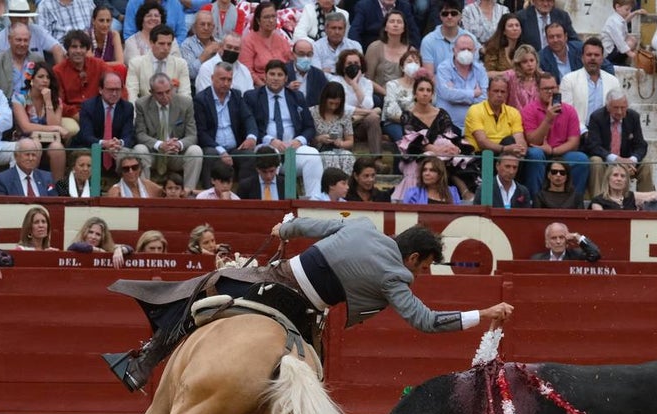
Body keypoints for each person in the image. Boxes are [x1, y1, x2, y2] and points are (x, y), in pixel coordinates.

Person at [104, 217, 514, 392]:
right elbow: (425, 322)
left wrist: (284, 226)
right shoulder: (398, 276)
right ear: (413, 259)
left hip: (273, 280)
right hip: (305, 313)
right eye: (424, 267)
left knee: (203, 291)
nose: (420, 274)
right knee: (311, 383)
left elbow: (310, 225)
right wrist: (484, 314)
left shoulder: (361, 225)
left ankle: (142, 365)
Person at [244, 59, 322, 196]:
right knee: (270, 155)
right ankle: (276, 203)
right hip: (266, 146)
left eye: (280, 75)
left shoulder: (297, 96)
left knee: (313, 156)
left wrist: (299, 141)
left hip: (293, 147)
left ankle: (314, 201)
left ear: (286, 78)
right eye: (272, 74)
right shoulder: (252, 96)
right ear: (265, 76)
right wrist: (270, 140)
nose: (275, 78)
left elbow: (309, 127)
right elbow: (250, 125)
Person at [521, 71, 588, 196]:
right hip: (540, 153)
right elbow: (533, 141)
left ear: (557, 88)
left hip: (560, 153)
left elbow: (574, 142)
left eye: (553, 88)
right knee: (534, 154)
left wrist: (553, 151)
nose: (550, 92)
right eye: (545, 89)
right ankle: (536, 200)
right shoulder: (529, 110)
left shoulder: (569, 110)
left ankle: (574, 201)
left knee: (581, 159)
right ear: (538, 90)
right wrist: (548, 119)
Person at [133, 72, 202, 191]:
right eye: (160, 93)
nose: (165, 96)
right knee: (139, 149)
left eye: (168, 91)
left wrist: (178, 144)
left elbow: (192, 135)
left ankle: (188, 192)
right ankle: (145, 193)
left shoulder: (186, 104)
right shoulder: (141, 104)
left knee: (196, 151)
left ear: (172, 88)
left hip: (176, 154)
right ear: (152, 93)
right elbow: (140, 134)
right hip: (154, 154)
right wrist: (160, 145)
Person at [582, 89, 649, 199]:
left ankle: (647, 203)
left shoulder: (633, 117)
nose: (619, 112)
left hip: (627, 161)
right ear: (608, 107)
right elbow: (593, 146)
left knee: (647, 163)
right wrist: (615, 159)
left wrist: (632, 160)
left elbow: (641, 145)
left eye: (622, 108)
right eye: (615, 108)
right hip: (606, 161)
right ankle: (599, 202)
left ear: (627, 106)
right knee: (595, 161)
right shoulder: (596, 117)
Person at [12, 60, 70, 179]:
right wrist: (55, 128)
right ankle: (34, 187)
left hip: (50, 140)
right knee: (35, 145)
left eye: (48, 77)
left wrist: (48, 101)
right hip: (26, 138)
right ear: (31, 79)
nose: (45, 80)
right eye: (41, 76)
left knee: (57, 148)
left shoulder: (55, 100)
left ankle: (60, 190)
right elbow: (25, 127)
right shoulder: (19, 97)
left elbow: (54, 127)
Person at [73, 71, 134, 174]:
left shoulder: (127, 107)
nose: (114, 93)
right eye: (110, 90)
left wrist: (119, 143)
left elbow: (128, 135)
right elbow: (86, 136)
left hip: (115, 150)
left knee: (128, 153)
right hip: (92, 146)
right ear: (101, 90)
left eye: (118, 90)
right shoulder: (88, 106)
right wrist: (104, 143)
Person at [332, 48, 381, 165]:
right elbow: (341, 108)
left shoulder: (366, 83)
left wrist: (354, 84)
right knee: (373, 114)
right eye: (349, 63)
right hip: (342, 124)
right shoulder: (335, 82)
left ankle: (377, 160)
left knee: (373, 118)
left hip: (360, 126)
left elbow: (369, 104)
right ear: (343, 66)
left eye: (356, 63)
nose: (353, 66)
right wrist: (367, 112)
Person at [434, 32, 488, 135]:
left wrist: (457, 96)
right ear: (454, 50)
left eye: (469, 49)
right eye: (462, 49)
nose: (466, 52)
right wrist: (473, 93)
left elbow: (483, 99)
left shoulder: (480, 69)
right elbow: (448, 94)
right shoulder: (443, 68)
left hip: (476, 127)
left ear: (475, 51)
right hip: (448, 127)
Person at [53, 30, 108, 119]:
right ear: (67, 49)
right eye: (74, 47)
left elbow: (117, 86)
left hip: (99, 111)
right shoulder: (58, 71)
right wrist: (76, 114)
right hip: (72, 115)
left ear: (87, 49)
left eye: (82, 47)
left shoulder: (99, 65)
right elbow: (58, 101)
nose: (78, 51)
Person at [241, 2, 292, 87]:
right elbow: (247, 71)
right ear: (258, 20)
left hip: (282, 86)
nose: (271, 20)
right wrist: (266, 89)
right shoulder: (248, 41)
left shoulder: (282, 40)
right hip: (258, 88)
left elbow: (289, 65)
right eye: (266, 17)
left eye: (273, 16)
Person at [0, 22, 42, 102]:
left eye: (26, 40)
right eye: (18, 40)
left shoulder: (38, 60)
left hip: (31, 106)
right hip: (5, 107)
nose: (22, 44)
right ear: (9, 39)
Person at [363, 9, 411, 97]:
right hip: (378, 95)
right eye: (392, 21)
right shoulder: (374, 47)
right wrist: (387, 93)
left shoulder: (411, 51)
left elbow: (412, 81)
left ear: (404, 28)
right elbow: (367, 79)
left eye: (399, 22)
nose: (395, 25)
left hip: (403, 96)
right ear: (385, 27)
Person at [420, 0, 474, 75]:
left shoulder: (470, 39)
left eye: (454, 13)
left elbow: (474, 71)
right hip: (437, 85)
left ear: (460, 16)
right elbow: (429, 75)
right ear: (440, 16)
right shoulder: (428, 41)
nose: (449, 17)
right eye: (445, 14)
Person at [350, 0, 420, 52]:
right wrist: (358, 53)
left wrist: (413, 48)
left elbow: (413, 31)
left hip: (398, 49)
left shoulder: (405, 6)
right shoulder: (364, 6)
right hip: (371, 50)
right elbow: (354, 32)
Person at [286, 37, 329, 111]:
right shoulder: (283, 71)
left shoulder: (318, 74)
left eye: (309, 54)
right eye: (301, 54)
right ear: (293, 54)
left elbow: (327, 96)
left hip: (312, 115)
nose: (305, 58)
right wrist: (287, 89)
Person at [529, 222, 601, 261]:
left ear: (567, 240)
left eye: (561, 237)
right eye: (554, 238)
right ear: (547, 242)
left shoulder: (577, 255)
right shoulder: (537, 259)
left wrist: (578, 237)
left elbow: (595, 254)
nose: (558, 241)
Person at [602, 0, 643, 67]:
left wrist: (635, 13)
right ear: (617, 7)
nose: (629, 12)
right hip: (609, 53)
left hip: (615, 49)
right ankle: (616, 62)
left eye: (630, 10)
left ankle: (620, 61)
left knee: (632, 40)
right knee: (630, 42)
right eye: (627, 9)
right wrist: (630, 53)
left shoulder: (618, 19)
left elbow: (625, 21)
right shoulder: (614, 22)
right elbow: (619, 41)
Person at [503, 43, 539, 113]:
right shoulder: (510, 77)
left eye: (532, 60)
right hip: (514, 119)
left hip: (537, 120)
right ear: (518, 63)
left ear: (536, 61)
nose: (529, 64)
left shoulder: (541, 78)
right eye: (525, 62)